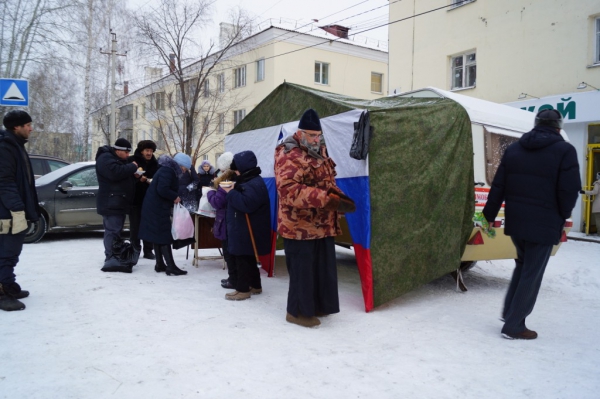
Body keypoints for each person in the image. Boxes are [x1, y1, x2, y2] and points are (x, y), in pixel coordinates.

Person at [483, 109, 581, 340]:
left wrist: (489, 214)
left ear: (536, 124)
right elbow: (568, 189)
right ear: (558, 127)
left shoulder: (515, 149)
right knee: (532, 273)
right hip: (545, 222)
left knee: (523, 265)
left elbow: (499, 185)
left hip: (517, 221)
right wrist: (563, 216)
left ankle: (510, 312)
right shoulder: (565, 150)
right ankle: (514, 326)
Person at [274, 108, 356, 328]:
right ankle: (297, 312)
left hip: (322, 224)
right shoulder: (289, 153)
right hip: (298, 226)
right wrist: (325, 199)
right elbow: (289, 190)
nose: (316, 139)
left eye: (318, 135)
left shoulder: (320, 150)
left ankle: (318, 306)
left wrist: (338, 197)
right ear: (300, 133)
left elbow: (327, 181)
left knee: (322, 269)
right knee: (303, 271)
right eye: (311, 135)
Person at [0, 110, 39, 311]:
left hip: (12, 209)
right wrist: (17, 209)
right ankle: (2, 291)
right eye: (28, 125)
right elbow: (4, 182)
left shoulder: (15, 145)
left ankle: (8, 283)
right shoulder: (5, 147)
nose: (31, 128)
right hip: (6, 211)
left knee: (12, 251)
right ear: (17, 126)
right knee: (6, 251)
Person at [220, 151, 271, 301]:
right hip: (247, 227)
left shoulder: (253, 183)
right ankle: (255, 285)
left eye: (236, 169)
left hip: (247, 229)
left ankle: (242, 289)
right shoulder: (252, 180)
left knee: (242, 257)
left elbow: (246, 204)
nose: (235, 172)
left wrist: (230, 192)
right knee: (248, 257)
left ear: (242, 168)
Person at [139, 153, 188, 276]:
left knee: (158, 235)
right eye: (184, 167)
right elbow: (163, 189)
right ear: (179, 164)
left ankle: (160, 264)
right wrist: (175, 196)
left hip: (154, 206)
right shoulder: (168, 171)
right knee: (164, 235)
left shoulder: (166, 169)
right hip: (157, 207)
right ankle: (171, 267)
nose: (184, 170)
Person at [95, 138, 139, 271]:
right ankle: (110, 257)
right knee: (112, 231)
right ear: (118, 150)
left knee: (115, 231)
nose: (127, 156)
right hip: (111, 202)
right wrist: (132, 167)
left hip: (116, 201)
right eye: (126, 152)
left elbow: (120, 175)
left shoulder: (112, 158)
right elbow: (115, 173)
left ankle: (114, 256)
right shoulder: (105, 158)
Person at [206, 152, 236, 288]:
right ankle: (233, 278)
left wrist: (210, 192)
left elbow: (218, 202)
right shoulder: (236, 179)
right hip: (230, 219)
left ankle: (233, 279)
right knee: (231, 251)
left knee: (229, 252)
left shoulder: (226, 183)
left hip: (225, 219)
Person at [128, 140, 159, 259]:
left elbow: (157, 178)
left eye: (151, 151)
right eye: (147, 150)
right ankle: (134, 249)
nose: (149, 153)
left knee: (148, 225)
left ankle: (148, 250)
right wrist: (138, 180)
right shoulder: (132, 161)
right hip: (135, 199)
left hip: (150, 199)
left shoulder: (154, 163)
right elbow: (126, 180)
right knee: (135, 226)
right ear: (141, 151)